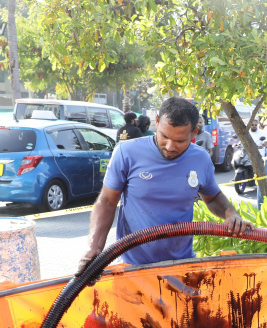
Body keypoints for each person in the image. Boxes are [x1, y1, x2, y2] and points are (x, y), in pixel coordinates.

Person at [76, 97, 250, 274]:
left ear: (194, 132)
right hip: (133, 269)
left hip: (181, 267)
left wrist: (230, 213)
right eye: (164, 136)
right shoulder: (126, 152)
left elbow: (213, 198)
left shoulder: (201, 158)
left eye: (180, 141)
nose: (170, 146)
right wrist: (94, 247)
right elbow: (107, 202)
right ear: (157, 121)